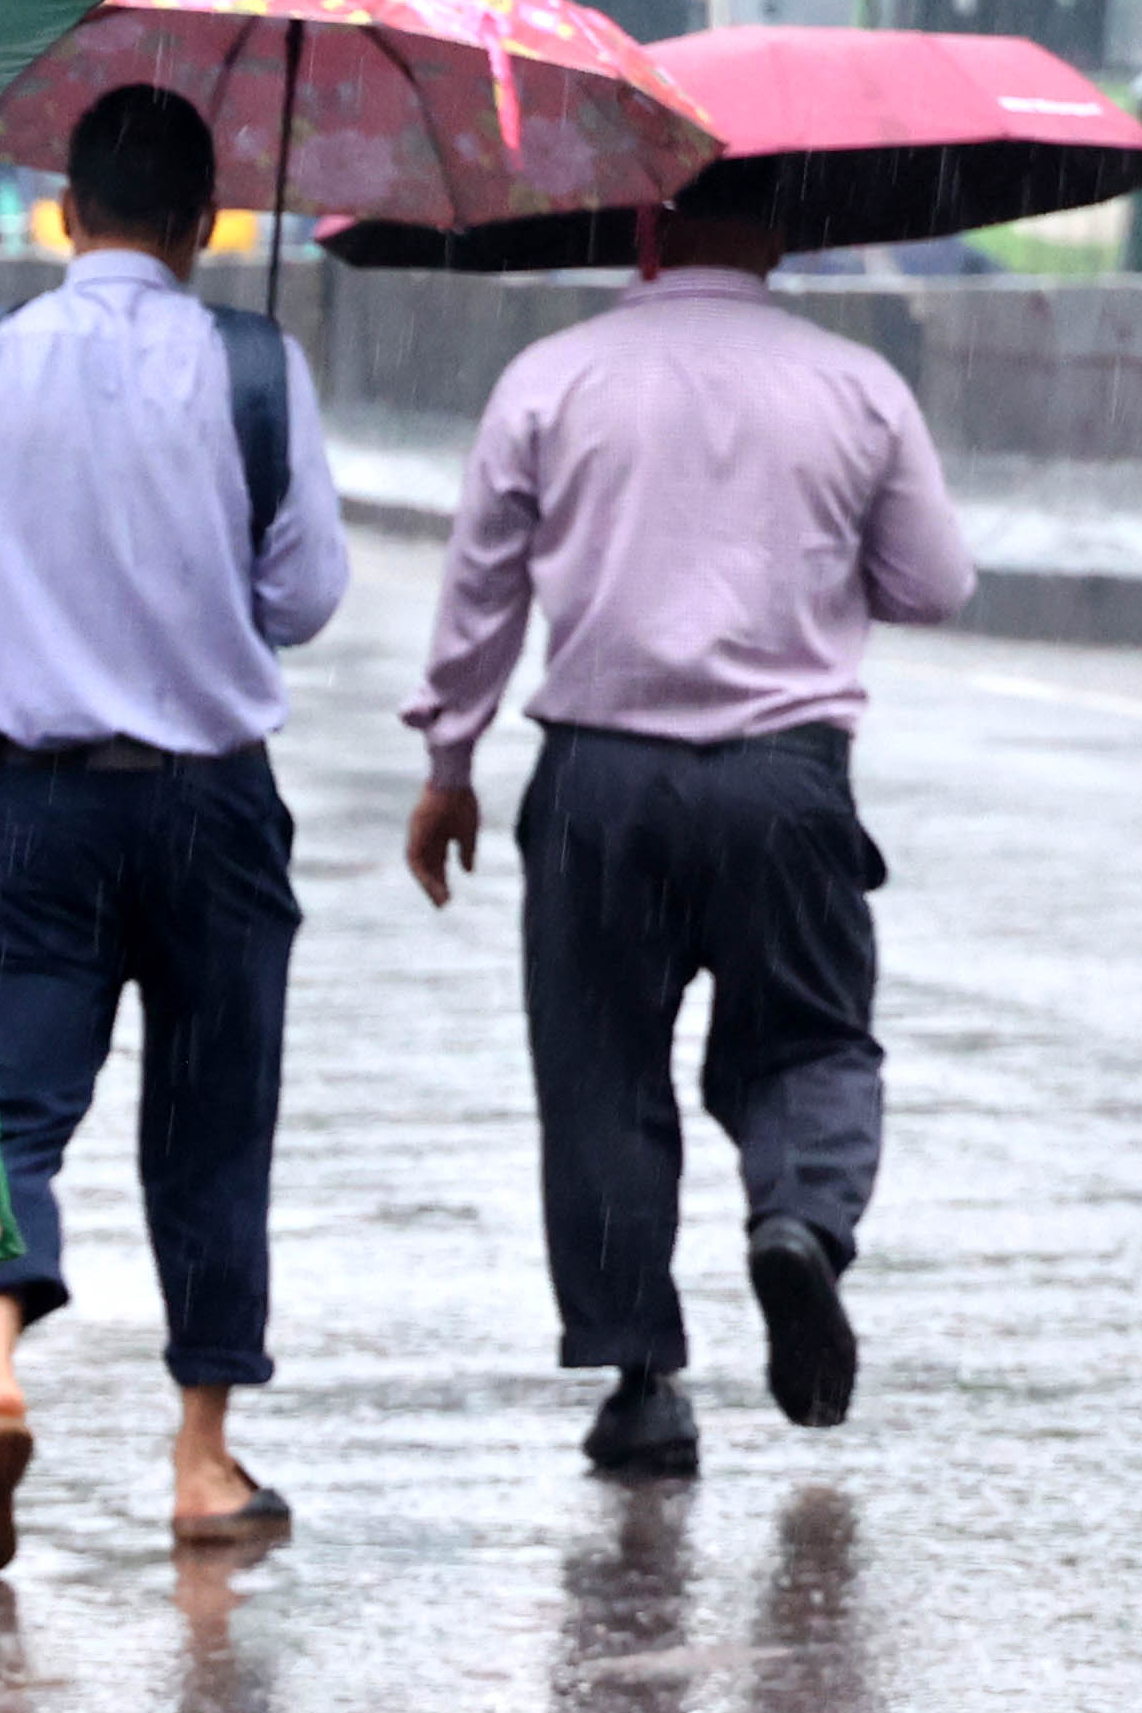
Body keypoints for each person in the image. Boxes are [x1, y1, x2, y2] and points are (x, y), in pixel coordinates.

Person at [0, 84, 348, 1575]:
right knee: (212, 1125)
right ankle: (200, 1458)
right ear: (203, 223)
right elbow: (306, 594)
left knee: (5, 1111)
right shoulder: (258, 365)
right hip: (212, 801)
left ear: (66, 213)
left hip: (34, 802)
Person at [398, 168, 975, 1477]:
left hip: (598, 780)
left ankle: (642, 1379)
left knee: (600, 1070)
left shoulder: (551, 380)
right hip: (785, 779)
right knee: (809, 1037)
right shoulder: (856, 385)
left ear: (644, 223)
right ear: (785, 228)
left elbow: (481, 594)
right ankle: (799, 1220)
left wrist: (449, 762)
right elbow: (933, 583)